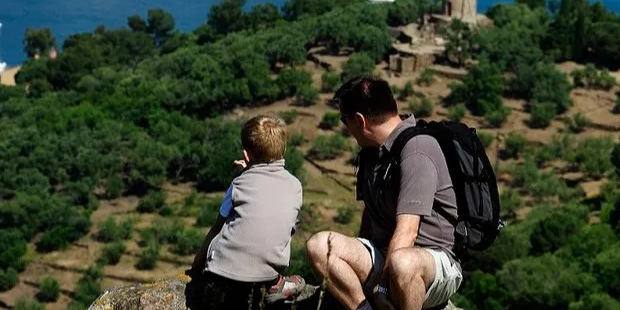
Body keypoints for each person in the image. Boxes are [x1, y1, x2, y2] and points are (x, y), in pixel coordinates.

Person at [307, 78, 462, 310]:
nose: (345, 128)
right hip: (386, 255)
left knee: (403, 263)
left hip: (433, 262)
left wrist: (380, 288)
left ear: (360, 120)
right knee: (320, 246)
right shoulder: (372, 153)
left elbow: (407, 232)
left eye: (344, 120)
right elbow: (369, 217)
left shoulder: (417, 149)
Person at [187, 115, 305, 309]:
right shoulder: (295, 186)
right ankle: (277, 285)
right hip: (263, 281)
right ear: (283, 150)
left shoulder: (239, 184)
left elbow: (218, 226)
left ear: (246, 155)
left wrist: (196, 266)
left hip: (217, 282)